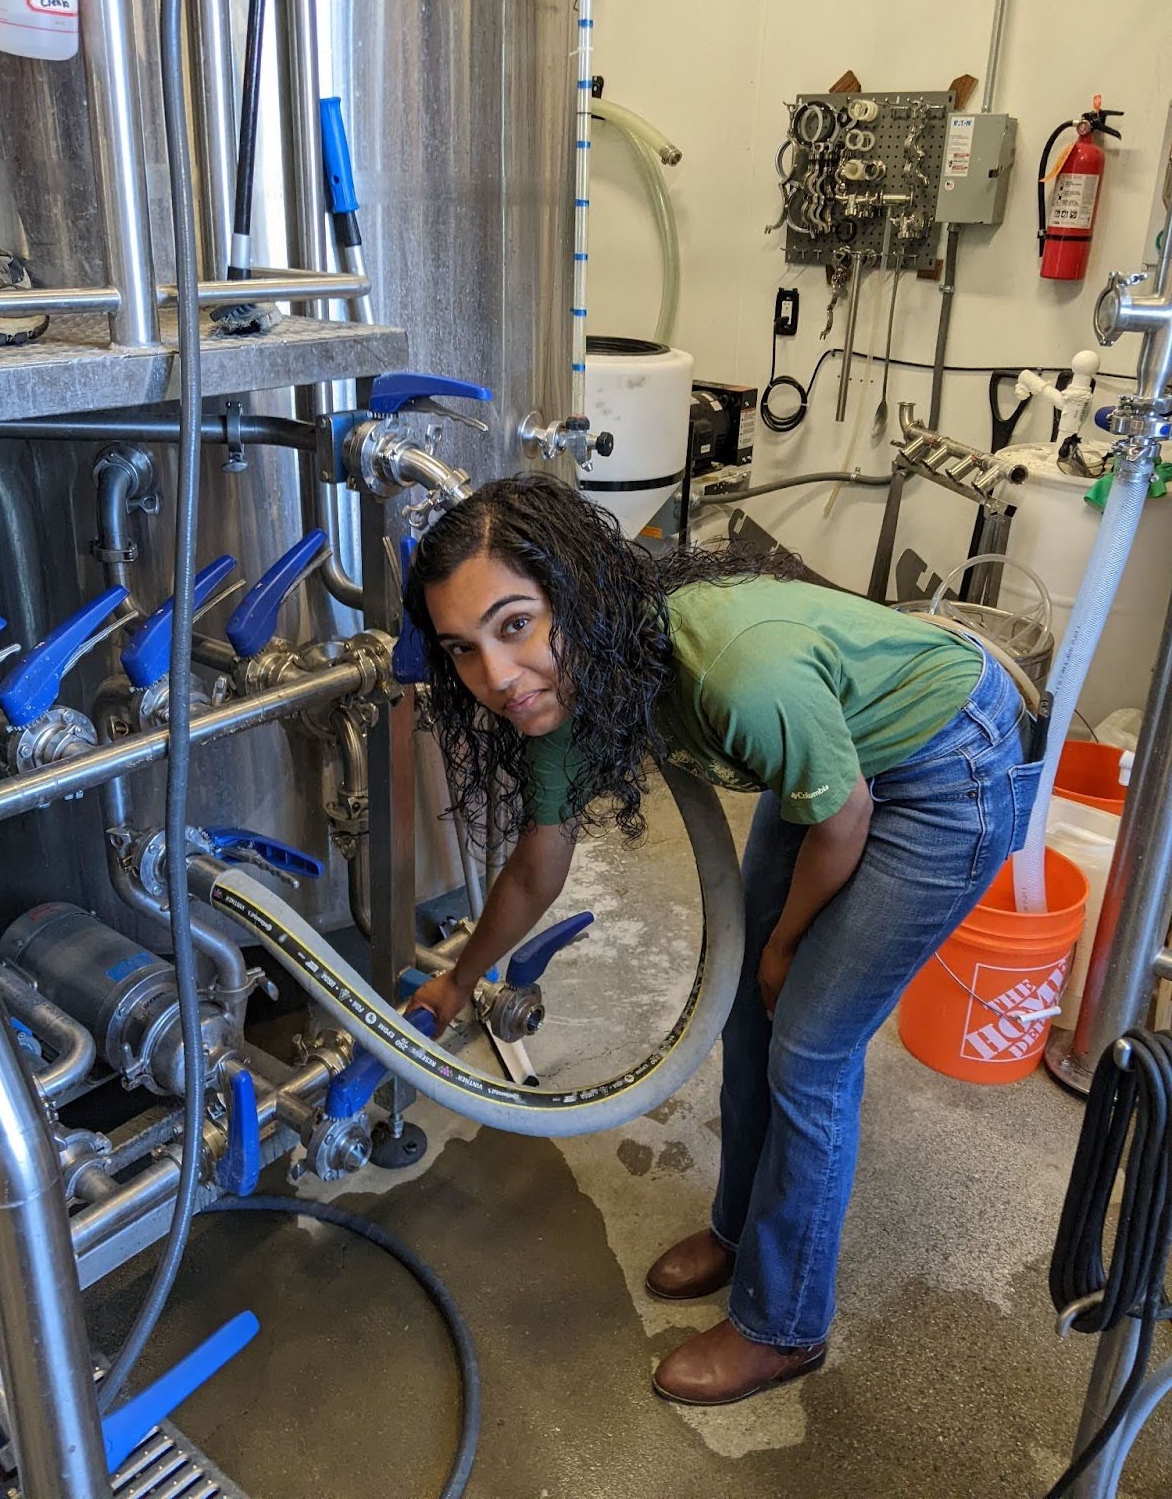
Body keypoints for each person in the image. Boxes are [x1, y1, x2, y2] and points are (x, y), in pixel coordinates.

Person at [403, 474, 1041, 1407]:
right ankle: (741, 1231)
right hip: (841, 759)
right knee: (744, 1006)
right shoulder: (560, 690)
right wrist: (458, 983)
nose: (496, 677)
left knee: (811, 1047)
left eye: (514, 624)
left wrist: (785, 945)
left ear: (575, 590)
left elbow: (845, 817)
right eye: (463, 648)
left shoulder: (736, 674)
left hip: (948, 761)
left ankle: (784, 1329)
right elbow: (535, 870)